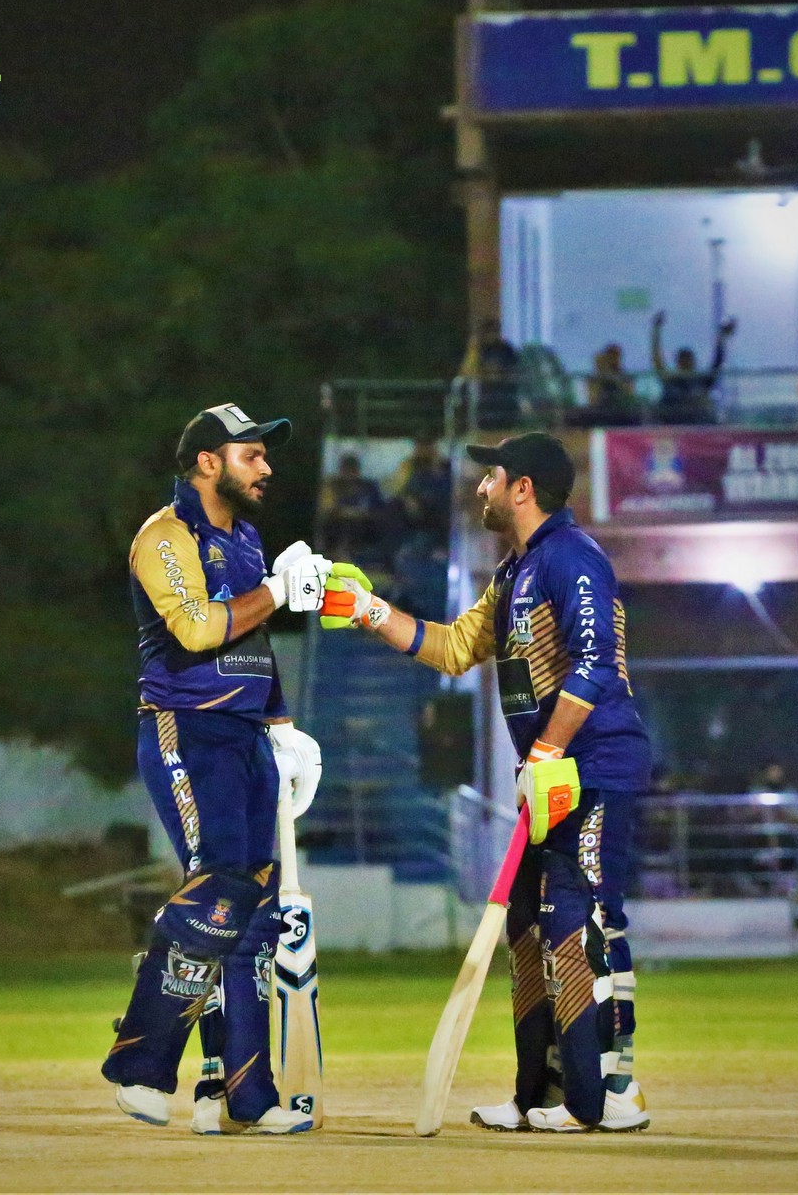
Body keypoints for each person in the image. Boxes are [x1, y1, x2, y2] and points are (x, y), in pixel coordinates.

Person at [320, 431, 652, 1134]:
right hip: (550, 776)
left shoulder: (572, 557)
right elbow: (451, 649)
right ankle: (539, 1093)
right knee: (529, 929)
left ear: (523, 488)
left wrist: (549, 749)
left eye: (491, 475)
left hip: (594, 768)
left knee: (584, 920)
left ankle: (610, 1091)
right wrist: (367, 609)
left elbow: (595, 663)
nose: (480, 487)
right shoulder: (513, 572)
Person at [101, 402, 334, 1136]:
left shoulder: (245, 537)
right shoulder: (164, 535)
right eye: (251, 455)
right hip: (186, 730)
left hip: (246, 736)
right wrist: (279, 592)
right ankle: (142, 1066)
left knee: (254, 915)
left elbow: (252, 643)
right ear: (208, 462)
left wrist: (284, 728)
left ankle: (246, 1096)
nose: (266, 467)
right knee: (221, 888)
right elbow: (200, 628)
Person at [650, 310, 736, 425]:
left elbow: (717, 363)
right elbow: (657, 361)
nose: (686, 363)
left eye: (688, 359)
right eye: (683, 359)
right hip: (674, 427)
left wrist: (722, 338)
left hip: (700, 428)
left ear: (694, 362)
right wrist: (656, 330)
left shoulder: (701, 381)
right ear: (678, 362)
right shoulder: (671, 380)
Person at [566, 344, 644, 427]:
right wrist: (602, 373)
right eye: (611, 357)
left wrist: (614, 378)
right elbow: (592, 400)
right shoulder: (594, 379)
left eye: (616, 357)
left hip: (622, 413)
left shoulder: (626, 378)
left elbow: (629, 397)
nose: (614, 360)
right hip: (601, 413)